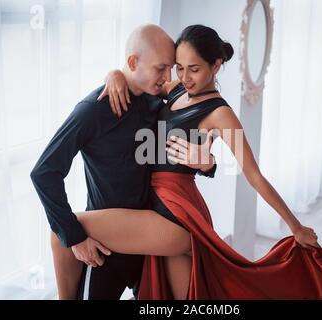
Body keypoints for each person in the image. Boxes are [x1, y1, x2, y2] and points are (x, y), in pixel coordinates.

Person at [50, 24, 322, 299]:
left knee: (65, 228)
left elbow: (254, 176)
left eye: (193, 69)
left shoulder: (220, 114)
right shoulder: (174, 90)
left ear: (216, 65)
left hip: (176, 211)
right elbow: (139, 80)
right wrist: (114, 74)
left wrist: (295, 226)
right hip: (153, 203)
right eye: (178, 67)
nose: (183, 77)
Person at [30, 24, 216, 300]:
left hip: (151, 245)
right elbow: (44, 172)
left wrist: (208, 163)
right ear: (132, 62)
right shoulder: (94, 109)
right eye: (161, 69)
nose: (167, 78)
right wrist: (75, 237)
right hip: (106, 250)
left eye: (170, 69)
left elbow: (182, 157)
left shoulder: (157, 104)